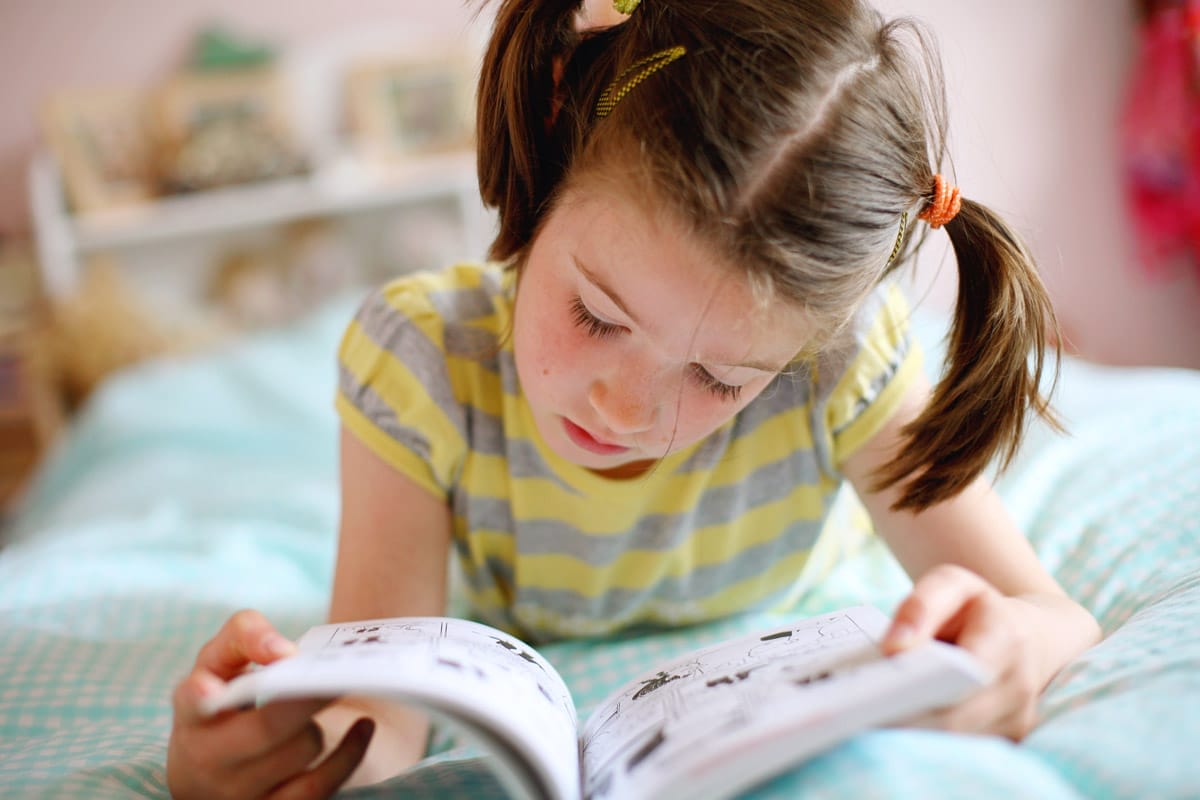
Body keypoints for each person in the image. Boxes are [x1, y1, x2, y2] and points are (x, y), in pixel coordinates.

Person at [167, 0, 1103, 795]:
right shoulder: (422, 365)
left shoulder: (840, 363)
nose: (623, 408)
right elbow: (379, 714)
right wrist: (264, 759)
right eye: (596, 315)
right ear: (550, 150)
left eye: (719, 380)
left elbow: (1053, 615)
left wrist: (1014, 647)